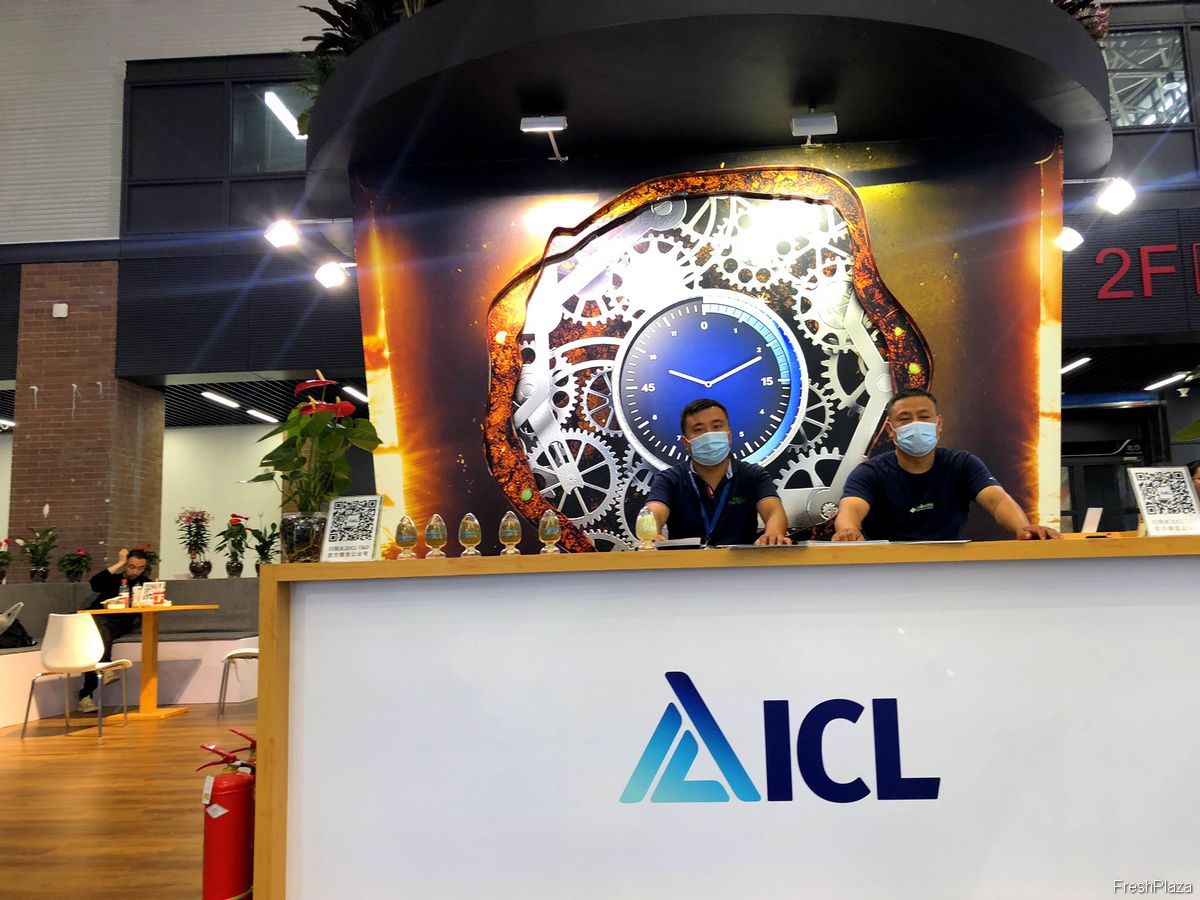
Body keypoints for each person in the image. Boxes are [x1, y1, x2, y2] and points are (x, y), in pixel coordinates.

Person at [832, 387, 1061, 542]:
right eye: (905, 419)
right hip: (885, 569)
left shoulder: (962, 464)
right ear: (891, 431)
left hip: (949, 568)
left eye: (924, 417)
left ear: (938, 424)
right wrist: (847, 530)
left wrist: (1023, 528)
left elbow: (997, 500)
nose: (916, 424)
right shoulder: (870, 473)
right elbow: (851, 507)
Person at [645, 398, 791, 546]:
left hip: (741, 560)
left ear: (729, 435)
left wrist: (774, 532)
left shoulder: (754, 475)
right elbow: (654, 512)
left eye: (716, 426)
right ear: (686, 443)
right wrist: (650, 532)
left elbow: (773, 510)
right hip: (686, 560)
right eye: (698, 429)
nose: (709, 435)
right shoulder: (669, 480)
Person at [77, 548, 152, 713]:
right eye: (131, 566)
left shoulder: (145, 584)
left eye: (140, 568)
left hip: (119, 623)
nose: (135, 571)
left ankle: (86, 695)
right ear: (125, 565)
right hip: (94, 620)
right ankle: (105, 669)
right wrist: (120, 562)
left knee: (99, 636)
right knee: (99, 633)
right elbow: (95, 583)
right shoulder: (113, 579)